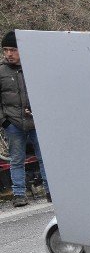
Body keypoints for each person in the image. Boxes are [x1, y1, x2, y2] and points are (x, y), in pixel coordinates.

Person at [1, 30, 49, 207]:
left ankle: (50, 191)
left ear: (21, 49)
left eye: (12, 49)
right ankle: (19, 194)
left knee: (44, 157)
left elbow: (45, 93)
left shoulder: (34, 68)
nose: (8, 54)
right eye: (5, 50)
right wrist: (4, 122)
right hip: (13, 124)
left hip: (37, 122)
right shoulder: (1, 71)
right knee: (16, 160)